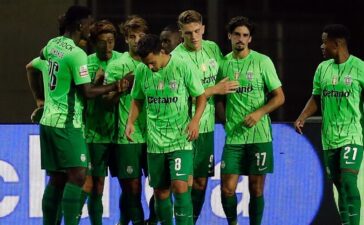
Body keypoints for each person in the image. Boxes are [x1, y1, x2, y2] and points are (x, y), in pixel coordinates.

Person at [27, 5, 126, 225]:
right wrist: (114, 86)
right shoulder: (76, 54)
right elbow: (88, 92)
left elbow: (31, 67)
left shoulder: (53, 44)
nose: (91, 28)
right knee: (79, 175)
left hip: (48, 121)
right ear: (81, 25)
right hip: (66, 122)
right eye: (89, 24)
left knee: (58, 178)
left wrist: (40, 100)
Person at [125, 34, 207, 225]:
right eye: (146, 64)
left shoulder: (182, 66)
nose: (150, 67)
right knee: (160, 192)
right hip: (155, 142)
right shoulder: (141, 71)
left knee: (180, 186)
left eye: (152, 62)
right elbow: (137, 99)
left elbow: (201, 96)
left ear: (161, 51)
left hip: (180, 138)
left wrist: (195, 121)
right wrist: (130, 123)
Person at [172, 10, 239, 223]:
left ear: (203, 28)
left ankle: (192, 220)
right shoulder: (177, 57)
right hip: (185, 128)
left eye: (197, 31)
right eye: (188, 33)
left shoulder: (212, 48)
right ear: (180, 33)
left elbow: (223, 81)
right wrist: (214, 89)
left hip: (207, 127)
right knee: (185, 183)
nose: (194, 37)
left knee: (201, 183)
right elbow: (182, 95)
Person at [217, 16, 285, 225]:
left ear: (250, 39)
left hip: (259, 136)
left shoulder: (262, 61)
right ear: (229, 36)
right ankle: (233, 223)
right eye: (237, 34)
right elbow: (218, 97)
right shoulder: (223, 64)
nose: (241, 39)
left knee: (255, 189)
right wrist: (225, 121)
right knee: (227, 189)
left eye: (245, 35)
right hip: (235, 138)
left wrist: (259, 113)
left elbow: (279, 97)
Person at [294, 24, 363, 225]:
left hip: (352, 134)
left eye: (324, 42)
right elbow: (316, 97)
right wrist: (302, 116)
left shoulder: (360, 68)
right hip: (329, 137)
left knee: (349, 182)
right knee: (340, 185)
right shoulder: (322, 69)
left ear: (337, 43)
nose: (321, 46)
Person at [104, 15, 149, 225]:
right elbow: (106, 101)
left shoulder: (155, 61)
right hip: (127, 137)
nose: (137, 40)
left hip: (154, 135)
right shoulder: (117, 65)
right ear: (126, 39)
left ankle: (127, 221)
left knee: (162, 188)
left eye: (141, 36)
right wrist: (119, 88)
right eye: (132, 36)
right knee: (132, 189)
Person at [82, 20, 123, 225]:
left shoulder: (123, 60)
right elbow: (86, 94)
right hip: (95, 133)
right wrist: (98, 83)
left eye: (111, 41)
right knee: (96, 185)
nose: (107, 46)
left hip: (122, 133)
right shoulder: (86, 63)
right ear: (93, 43)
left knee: (130, 184)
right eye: (102, 42)